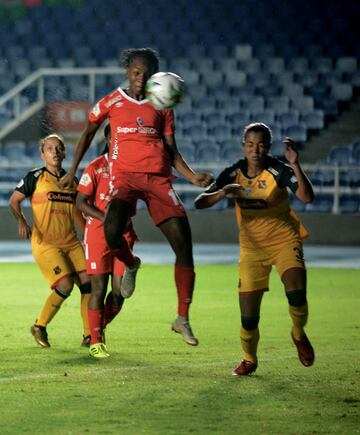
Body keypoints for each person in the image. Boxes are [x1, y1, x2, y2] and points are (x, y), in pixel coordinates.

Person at [60, 47, 213, 346]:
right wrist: (72, 170)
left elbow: (171, 149)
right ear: (127, 72)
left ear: (156, 74)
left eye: (147, 73)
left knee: (184, 242)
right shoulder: (112, 102)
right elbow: (88, 133)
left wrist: (192, 176)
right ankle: (130, 263)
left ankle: (182, 318)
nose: (141, 78)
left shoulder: (163, 104)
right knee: (112, 228)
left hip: (158, 179)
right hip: (124, 179)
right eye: (136, 72)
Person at [194, 123, 315, 376]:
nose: (255, 150)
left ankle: (297, 332)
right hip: (251, 250)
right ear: (244, 146)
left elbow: (306, 197)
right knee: (249, 317)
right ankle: (249, 358)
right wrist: (222, 193)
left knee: (297, 293)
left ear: (268, 147)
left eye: (261, 145)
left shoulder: (278, 170)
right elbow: (200, 202)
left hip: (284, 240)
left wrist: (295, 163)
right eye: (250, 145)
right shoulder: (233, 173)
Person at [9, 133, 92, 348]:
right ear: (42, 154)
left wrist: (88, 235)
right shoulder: (35, 177)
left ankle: (89, 335)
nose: (54, 152)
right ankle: (40, 326)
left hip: (71, 242)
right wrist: (22, 221)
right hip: (46, 243)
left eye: (58, 148)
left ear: (64, 153)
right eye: (49, 149)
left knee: (88, 284)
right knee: (65, 285)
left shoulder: (71, 181)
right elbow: (14, 201)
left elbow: (77, 212)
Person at [76, 124, 138, 358]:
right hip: (98, 235)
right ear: (108, 139)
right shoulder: (95, 167)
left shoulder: (132, 169)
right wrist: (108, 219)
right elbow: (80, 201)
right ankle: (96, 342)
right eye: (115, 136)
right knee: (98, 289)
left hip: (124, 234)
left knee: (120, 293)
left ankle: (95, 330)